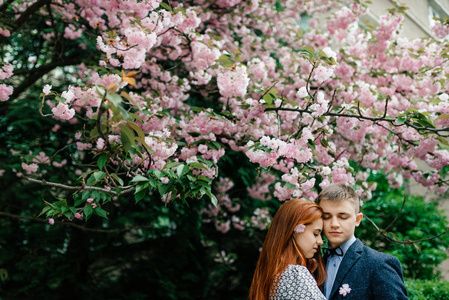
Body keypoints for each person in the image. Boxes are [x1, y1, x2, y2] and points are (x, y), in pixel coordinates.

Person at [316, 183, 408, 299]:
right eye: (326, 216)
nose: (334, 224)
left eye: (343, 217)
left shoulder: (379, 264)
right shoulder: (314, 265)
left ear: (357, 219)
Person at [249, 198, 327, 300]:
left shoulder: (274, 274)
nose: (320, 241)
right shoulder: (294, 274)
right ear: (295, 230)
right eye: (315, 234)